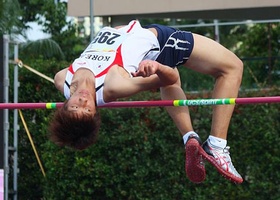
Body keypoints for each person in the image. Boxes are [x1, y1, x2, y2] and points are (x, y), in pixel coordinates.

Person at [49, 20, 243, 184]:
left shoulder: (62, 78)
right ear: (95, 111)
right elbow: (171, 77)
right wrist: (158, 67)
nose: (83, 99)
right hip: (162, 41)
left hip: (143, 37)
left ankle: (190, 137)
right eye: (87, 109)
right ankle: (217, 145)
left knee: (172, 88)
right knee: (232, 67)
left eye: (76, 105)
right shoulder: (113, 85)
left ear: (65, 104)